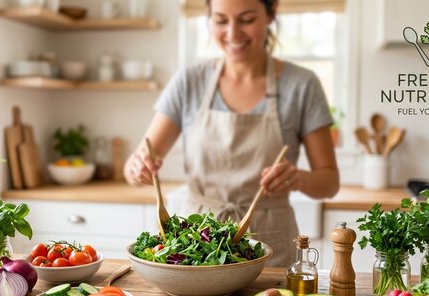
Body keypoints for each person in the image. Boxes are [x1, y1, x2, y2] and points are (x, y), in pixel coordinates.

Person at [124, 0, 339, 266]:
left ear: (271, 14)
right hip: (194, 248)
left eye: (247, 19)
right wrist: (137, 168)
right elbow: (136, 166)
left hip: (271, 248)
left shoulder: (302, 85)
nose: (233, 33)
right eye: (221, 20)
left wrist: (297, 179)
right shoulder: (189, 82)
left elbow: (329, 182)